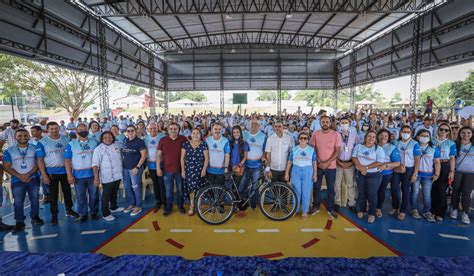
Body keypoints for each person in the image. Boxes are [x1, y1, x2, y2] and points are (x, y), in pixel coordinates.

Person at [37, 122, 79, 225]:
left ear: (59, 128)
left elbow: (72, 155)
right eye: (51, 129)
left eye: (55, 128)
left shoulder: (66, 139)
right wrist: (43, 174)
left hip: (65, 171)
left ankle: (69, 210)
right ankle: (54, 215)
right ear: (47, 130)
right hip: (51, 172)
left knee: (67, 192)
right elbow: (40, 160)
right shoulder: (42, 142)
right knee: (53, 195)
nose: (54, 130)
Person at [2, 129, 44, 232]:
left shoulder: (35, 148)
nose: (23, 137)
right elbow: (6, 166)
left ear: (29, 136)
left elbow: (38, 162)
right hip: (17, 180)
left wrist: (28, 174)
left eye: (25, 135)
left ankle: (35, 217)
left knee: (34, 199)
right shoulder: (9, 151)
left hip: (33, 178)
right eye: (20, 136)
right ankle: (19, 222)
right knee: (18, 202)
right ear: (15, 137)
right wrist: (20, 176)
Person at [64, 124, 99, 222]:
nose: (82, 130)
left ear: (88, 130)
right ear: (76, 131)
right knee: (80, 196)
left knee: (94, 195)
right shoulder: (71, 144)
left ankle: (93, 212)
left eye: (84, 129)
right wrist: (69, 174)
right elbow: (67, 160)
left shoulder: (95, 142)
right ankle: (83, 214)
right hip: (78, 175)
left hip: (92, 173)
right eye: (80, 129)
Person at [309, 116, 341, 219]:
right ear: (320, 123)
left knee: (330, 188)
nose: (325, 123)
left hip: (331, 166)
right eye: (323, 122)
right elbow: (312, 149)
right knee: (317, 186)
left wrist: (327, 162)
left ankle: (330, 208)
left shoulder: (336, 134)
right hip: (318, 165)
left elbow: (337, 151)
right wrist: (319, 161)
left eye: (327, 121)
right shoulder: (315, 134)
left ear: (330, 123)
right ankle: (316, 206)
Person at [352, 131, 385, 223]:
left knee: (372, 194)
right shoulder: (359, 147)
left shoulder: (378, 149)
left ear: (376, 139)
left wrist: (366, 167)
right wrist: (360, 167)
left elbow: (379, 162)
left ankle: (371, 213)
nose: (371, 138)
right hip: (360, 173)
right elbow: (354, 157)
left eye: (373, 137)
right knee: (361, 193)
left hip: (373, 175)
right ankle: (362, 210)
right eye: (369, 136)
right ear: (365, 137)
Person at [92, 131, 124, 221]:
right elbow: (95, 165)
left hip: (117, 174)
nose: (108, 139)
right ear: (102, 139)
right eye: (105, 137)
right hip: (107, 176)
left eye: (109, 137)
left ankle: (113, 207)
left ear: (113, 138)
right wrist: (96, 178)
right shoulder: (98, 149)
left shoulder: (117, 146)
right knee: (106, 194)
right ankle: (105, 213)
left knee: (115, 192)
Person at [157, 122, 187, 216]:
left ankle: (180, 206)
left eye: (175, 128)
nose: (173, 130)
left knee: (180, 190)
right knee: (168, 191)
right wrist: (158, 168)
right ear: (168, 130)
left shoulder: (183, 139)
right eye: (171, 129)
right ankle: (168, 207)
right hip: (167, 170)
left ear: (178, 129)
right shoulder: (163, 140)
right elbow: (158, 155)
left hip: (180, 170)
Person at [285, 132, 317, 220]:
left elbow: (314, 162)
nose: (303, 140)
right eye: (301, 138)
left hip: (308, 171)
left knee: (306, 192)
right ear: (298, 139)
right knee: (296, 191)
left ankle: (304, 211)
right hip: (296, 171)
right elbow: (290, 162)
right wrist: (287, 173)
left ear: (308, 140)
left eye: (305, 138)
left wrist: (315, 174)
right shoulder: (294, 149)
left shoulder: (311, 150)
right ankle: (294, 210)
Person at [409, 129, 440, 222]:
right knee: (414, 192)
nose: (425, 137)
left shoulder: (434, 148)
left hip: (428, 175)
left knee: (427, 194)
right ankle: (414, 209)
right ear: (418, 136)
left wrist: (437, 174)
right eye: (422, 135)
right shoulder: (414, 145)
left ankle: (427, 211)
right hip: (416, 173)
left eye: (427, 136)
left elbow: (437, 162)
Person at [392, 125, 421, 220]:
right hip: (397, 168)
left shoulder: (415, 143)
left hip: (409, 169)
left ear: (411, 133)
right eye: (404, 131)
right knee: (394, 188)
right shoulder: (396, 142)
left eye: (408, 132)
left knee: (405, 190)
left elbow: (417, 159)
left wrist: (415, 173)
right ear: (400, 133)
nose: (406, 133)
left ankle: (403, 210)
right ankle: (395, 207)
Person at [431, 123, 456, 221]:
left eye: (446, 130)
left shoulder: (451, 143)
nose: (443, 132)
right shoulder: (431, 140)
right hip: (432, 165)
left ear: (449, 132)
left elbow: (452, 158)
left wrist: (452, 171)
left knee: (441, 190)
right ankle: (431, 211)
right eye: (441, 129)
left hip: (445, 166)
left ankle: (440, 212)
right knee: (432, 189)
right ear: (438, 130)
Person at [181, 128, 209, 216]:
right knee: (191, 190)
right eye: (194, 133)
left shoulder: (204, 144)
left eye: (197, 133)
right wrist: (183, 170)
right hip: (189, 170)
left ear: (201, 135)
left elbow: (206, 158)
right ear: (191, 134)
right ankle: (192, 206)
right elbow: (182, 158)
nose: (195, 135)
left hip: (199, 171)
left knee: (199, 189)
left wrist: (204, 169)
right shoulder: (185, 144)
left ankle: (198, 206)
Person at [450, 126, 474, 224]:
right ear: (459, 134)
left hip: (471, 173)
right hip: (457, 171)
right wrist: (451, 171)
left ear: (472, 134)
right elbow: (452, 158)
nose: (466, 135)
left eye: (468, 132)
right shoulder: (455, 144)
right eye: (463, 132)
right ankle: (454, 209)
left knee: (466, 193)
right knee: (455, 191)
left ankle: (465, 213)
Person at [241, 119, 267, 210]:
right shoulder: (244, 135)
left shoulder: (263, 136)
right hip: (245, 165)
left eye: (256, 123)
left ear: (259, 126)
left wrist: (263, 157)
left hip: (257, 166)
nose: (254, 125)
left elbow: (264, 150)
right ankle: (243, 204)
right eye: (252, 123)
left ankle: (253, 205)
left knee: (255, 187)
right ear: (249, 124)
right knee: (243, 185)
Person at [121, 125, 147, 216]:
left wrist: (138, 167)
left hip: (135, 169)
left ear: (135, 132)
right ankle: (132, 204)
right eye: (128, 131)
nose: (130, 132)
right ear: (126, 132)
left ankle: (138, 206)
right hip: (125, 169)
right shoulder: (125, 141)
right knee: (127, 187)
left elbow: (144, 155)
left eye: (132, 131)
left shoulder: (140, 142)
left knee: (136, 188)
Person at [375, 129, 401, 217]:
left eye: (386, 136)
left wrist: (386, 165)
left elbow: (397, 163)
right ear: (378, 135)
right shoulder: (372, 145)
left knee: (381, 191)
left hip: (385, 174)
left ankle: (378, 209)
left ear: (389, 137)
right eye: (381, 135)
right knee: (371, 190)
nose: (383, 137)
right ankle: (370, 205)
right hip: (372, 173)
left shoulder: (392, 147)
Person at [335, 117, 358, 211]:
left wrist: (352, 162)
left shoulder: (354, 135)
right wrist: (338, 162)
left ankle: (351, 202)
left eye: (346, 123)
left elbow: (357, 150)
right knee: (337, 183)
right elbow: (332, 150)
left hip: (350, 164)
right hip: (338, 163)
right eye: (342, 123)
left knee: (350, 184)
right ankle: (337, 202)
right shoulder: (336, 135)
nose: (344, 124)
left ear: (349, 124)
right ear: (339, 124)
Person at [143, 122, 166, 212]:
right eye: (151, 128)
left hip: (161, 165)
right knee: (155, 184)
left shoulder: (162, 136)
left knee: (162, 184)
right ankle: (158, 202)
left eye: (154, 128)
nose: (153, 130)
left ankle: (165, 202)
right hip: (151, 165)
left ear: (157, 128)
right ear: (148, 129)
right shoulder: (145, 138)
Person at [30, 125, 49, 204]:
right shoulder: (31, 141)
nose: (32, 133)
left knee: (45, 180)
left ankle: (48, 195)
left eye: (33, 131)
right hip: (34, 164)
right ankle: (38, 196)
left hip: (44, 163)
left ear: (40, 131)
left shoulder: (46, 141)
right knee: (37, 181)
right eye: (31, 131)